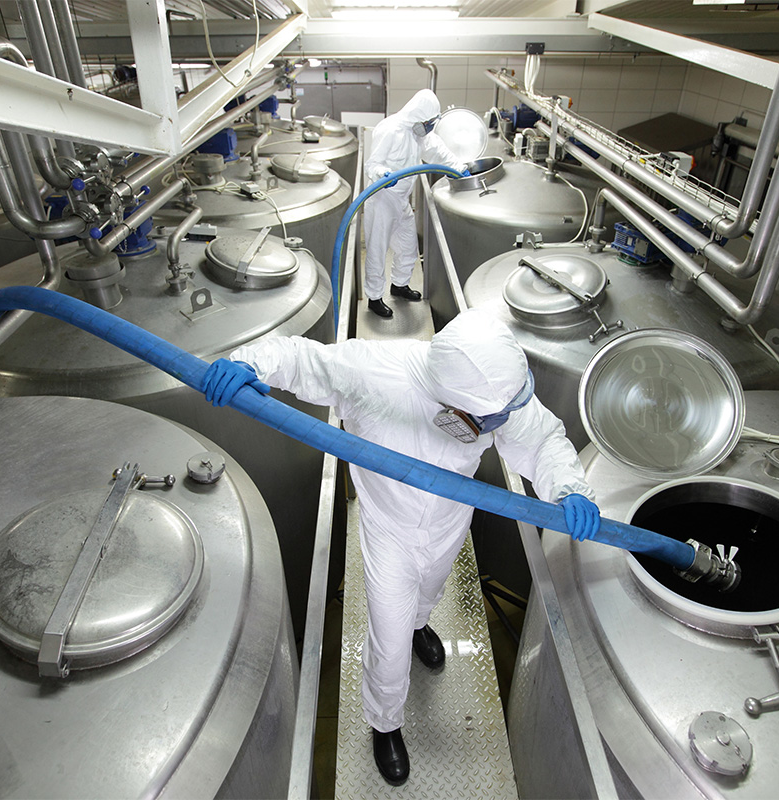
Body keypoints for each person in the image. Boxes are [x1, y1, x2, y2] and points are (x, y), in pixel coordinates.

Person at [201, 309, 602, 787]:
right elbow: (299, 357)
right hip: (388, 530)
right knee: (388, 643)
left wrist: (570, 488)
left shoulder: (493, 392)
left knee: (429, 592)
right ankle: (385, 723)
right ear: (460, 403)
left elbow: (539, 439)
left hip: (450, 522)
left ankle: (421, 625)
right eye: (493, 415)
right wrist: (247, 364)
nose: (502, 420)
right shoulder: (375, 372)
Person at [362, 88, 467, 319]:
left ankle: (399, 286)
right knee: (377, 252)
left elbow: (440, 153)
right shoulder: (389, 130)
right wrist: (383, 173)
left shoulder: (421, 134)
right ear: (417, 115)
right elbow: (371, 164)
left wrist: (460, 169)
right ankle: (374, 298)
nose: (429, 126)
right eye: (428, 122)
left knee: (408, 247)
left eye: (432, 123)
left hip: (401, 200)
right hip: (382, 198)